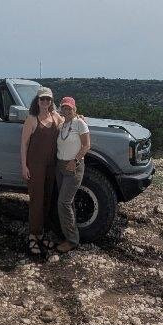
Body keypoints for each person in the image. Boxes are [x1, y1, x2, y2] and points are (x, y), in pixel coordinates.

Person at [20, 87, 62, 256]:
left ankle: (41, 234)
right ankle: (33, 235)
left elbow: (69, 122)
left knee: (47, 198)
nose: (45, 102)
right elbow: (24, 144)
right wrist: (24, 166)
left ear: (51, 101)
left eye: (48, 99)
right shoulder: (32, 119)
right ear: (37, 101)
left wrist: (80, 118)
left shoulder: (55, 117)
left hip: (51, 165)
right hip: (35, 165)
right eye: (42, 99)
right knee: (36, 200)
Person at [55, 96, 90, 253]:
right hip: (60, 166)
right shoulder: (62, 124)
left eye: (69, 108)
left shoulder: (80, 123)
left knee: (63, 203)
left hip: (73, 167)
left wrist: (74, 161)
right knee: (68, 202)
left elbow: (87, 145)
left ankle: (72, 240)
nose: (66, 110)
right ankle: (70, 234)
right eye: (64, 107)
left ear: (74, 109)